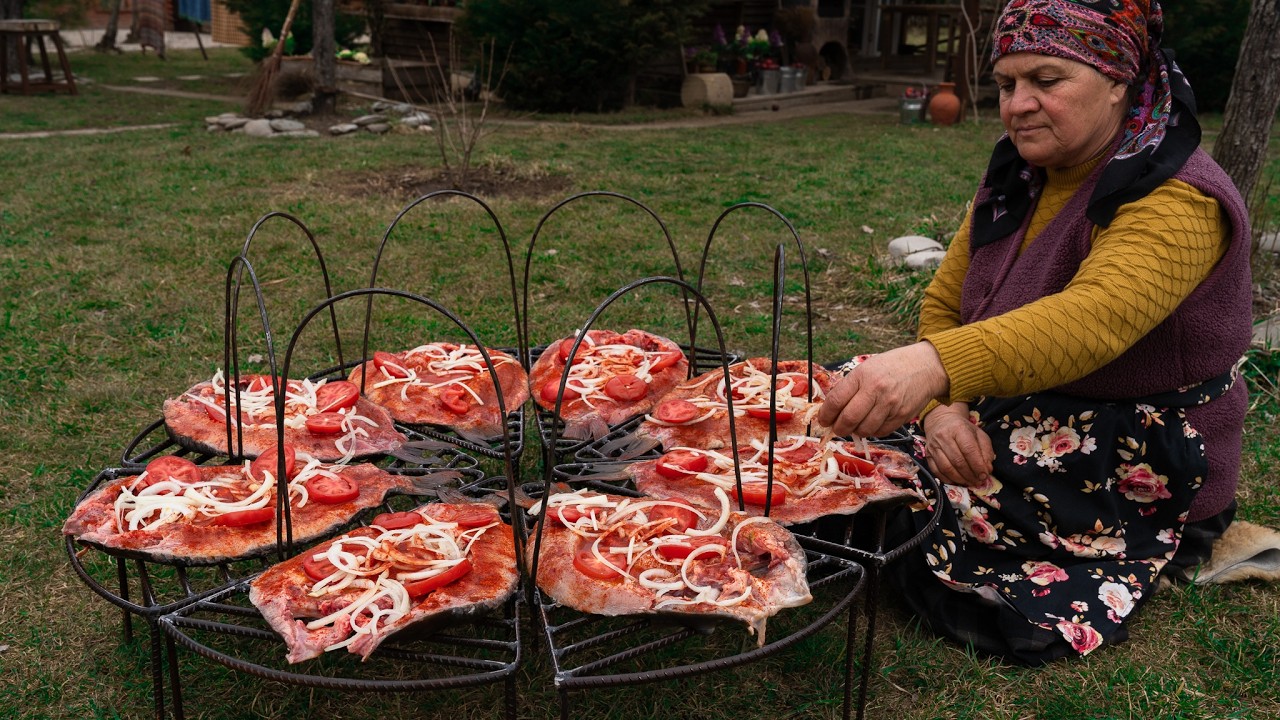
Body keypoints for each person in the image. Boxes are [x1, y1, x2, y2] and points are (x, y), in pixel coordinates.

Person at [817, 0, 1253, 664]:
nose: (1018, 104)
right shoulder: (1018, 179)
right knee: (838, 407)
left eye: (1047, 80)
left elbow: (1092, 321)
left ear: (1119, 82)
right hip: (1018, 407)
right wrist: (941, 411)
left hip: (1133, 453)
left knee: (901, 508)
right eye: (1007, 84)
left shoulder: (1178, 197)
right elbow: (945, 306)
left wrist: (932, 371)